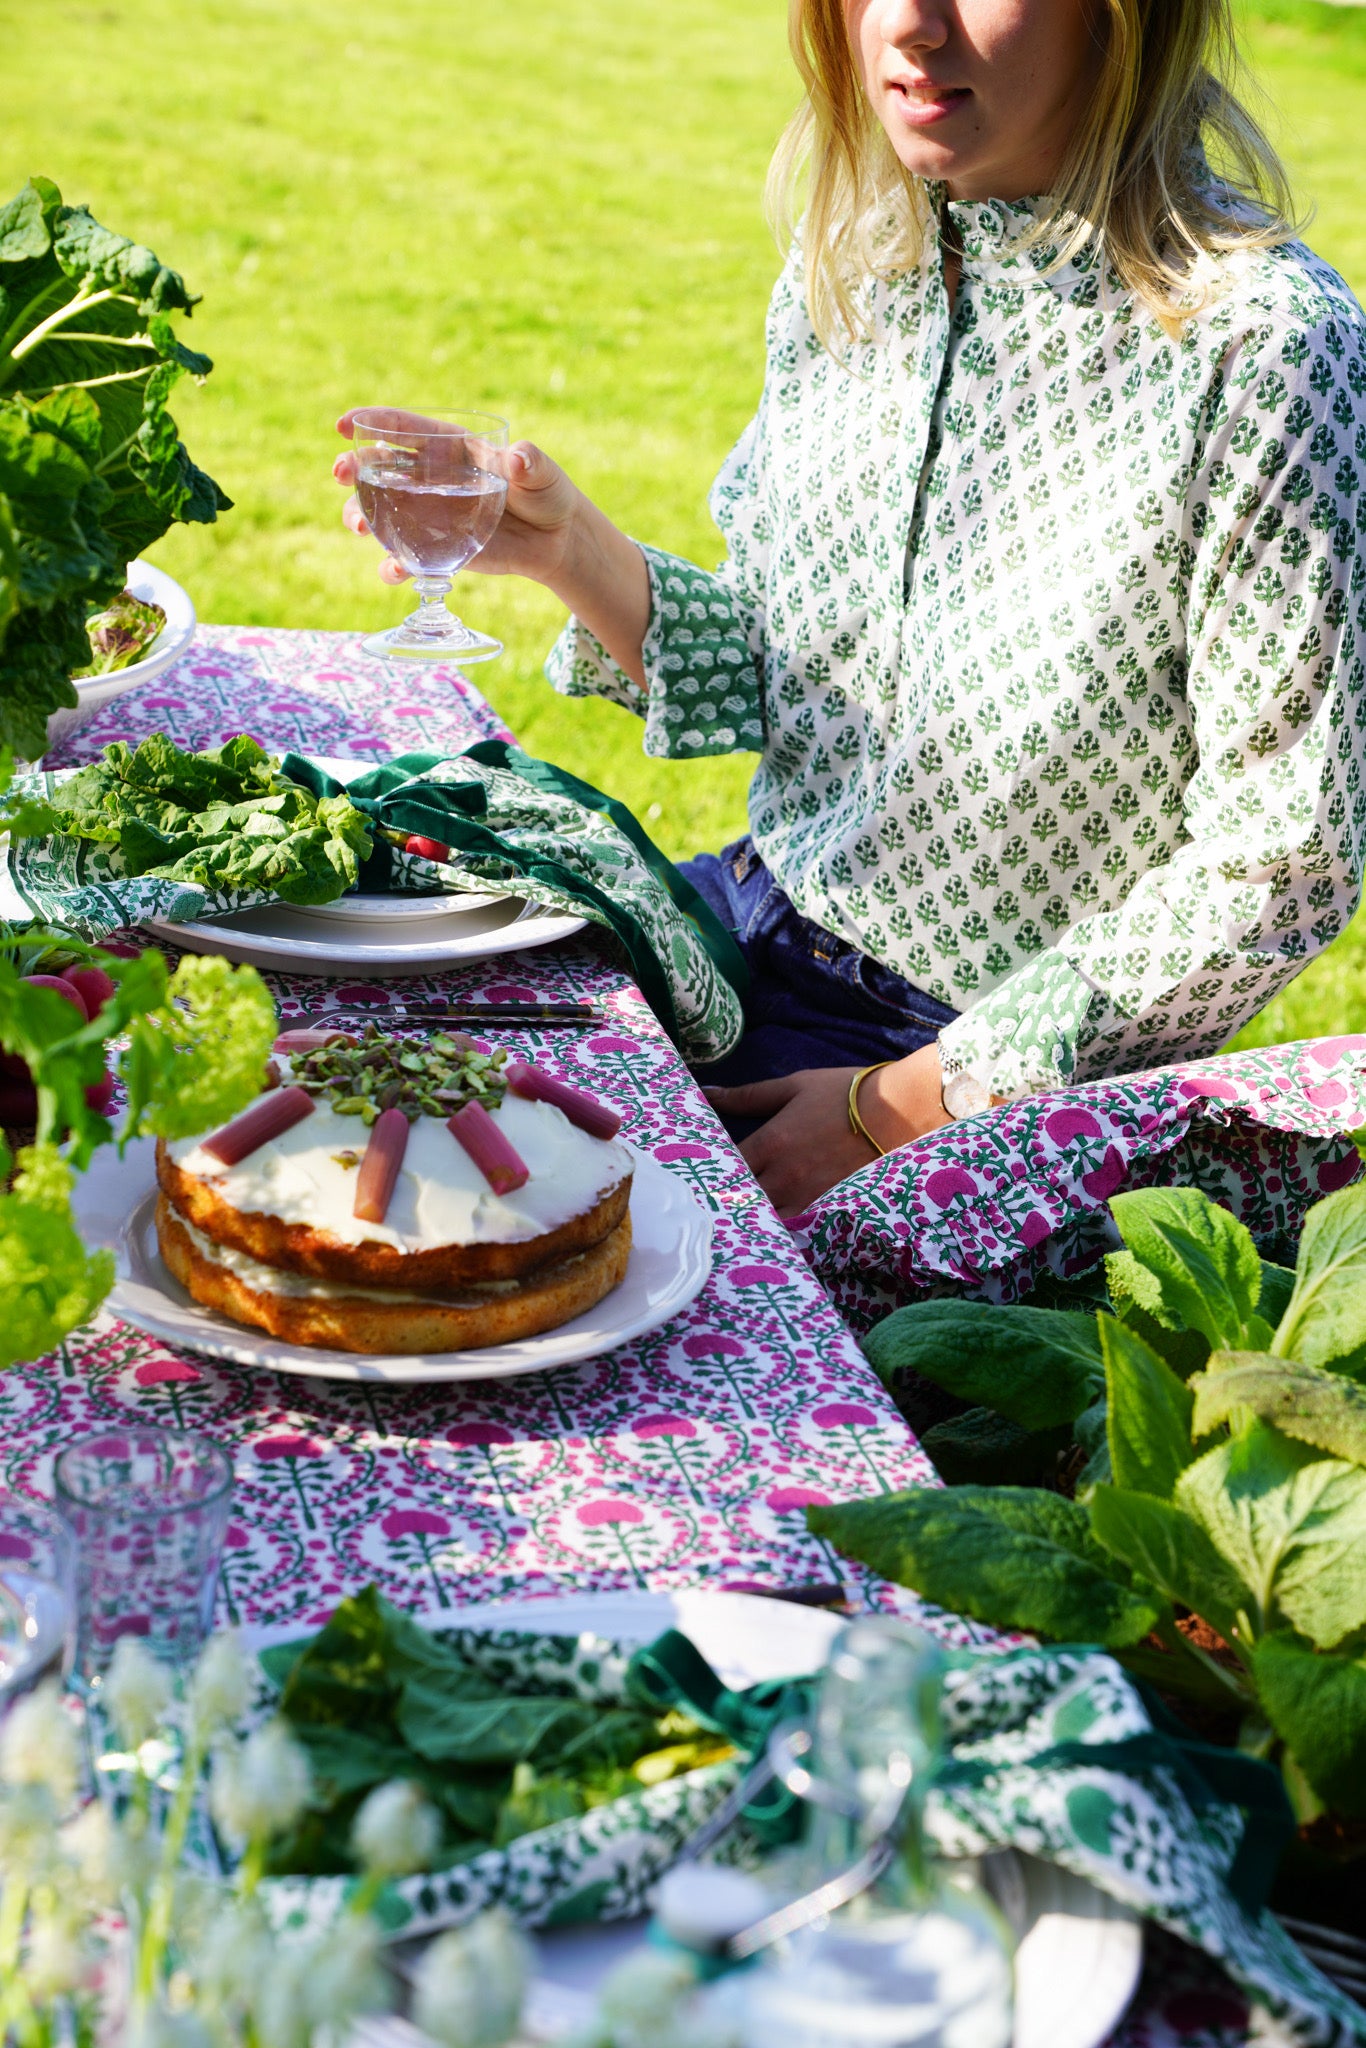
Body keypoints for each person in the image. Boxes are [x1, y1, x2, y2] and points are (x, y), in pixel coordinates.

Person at [335, 0, 1366, 1218]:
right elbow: (793, 676)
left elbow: (1286, 859)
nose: (909, 24)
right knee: (358, 1032)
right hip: (749, 925)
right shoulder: (860, 260)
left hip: (976, 1063)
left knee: (516, 1235)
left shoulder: (1269, 350)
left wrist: (911, 1101)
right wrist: (570, 548)